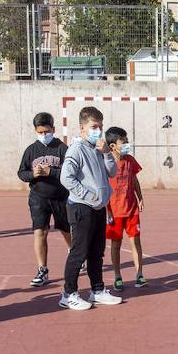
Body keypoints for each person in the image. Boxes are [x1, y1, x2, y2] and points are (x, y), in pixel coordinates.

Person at [59, 106, 122, 310]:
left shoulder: (97, 149)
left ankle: (97, 290)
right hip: (81, 207)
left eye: (100, 127)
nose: (98, 131)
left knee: (96, 252)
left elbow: (111, 173)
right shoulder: (76, 149)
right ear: (82, 128)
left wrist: (107, 154)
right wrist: (88, 195)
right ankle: (68, 294)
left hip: (98, 208)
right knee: (79, 252)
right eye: (94, 127)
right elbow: (66, 178)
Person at [18, 112, 71, 287]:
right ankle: (42, 269)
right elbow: (21, 173)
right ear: (35, 131)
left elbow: (70, 171)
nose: (44, 135)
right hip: (38, 198)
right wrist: (32, 174)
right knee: (40, 231)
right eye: (40, 132)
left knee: (65, 229)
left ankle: (75, 254)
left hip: (60, 197)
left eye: (47, 131)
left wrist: (51, 172)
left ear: (53, 129)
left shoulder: (62, 148)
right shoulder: (31, 150)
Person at [104, 127, 146, 290]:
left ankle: (140, 274)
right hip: (114, 211)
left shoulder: (130, 160)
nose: (127, 144)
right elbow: (103, 186)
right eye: (124, 142)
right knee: (116, 243)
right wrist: (106, 210)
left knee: (135, 241)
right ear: (113, 146)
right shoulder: (106, 163)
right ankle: (117, 276)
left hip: (131, 209)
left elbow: (134, 179)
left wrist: (140, 197)